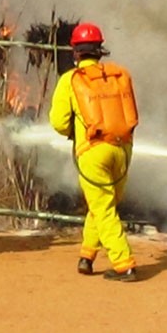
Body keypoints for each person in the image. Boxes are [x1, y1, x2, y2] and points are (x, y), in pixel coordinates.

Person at [50, 22, 139, 282]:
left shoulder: (70, 80)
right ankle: (87, 257)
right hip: (123, 149)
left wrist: (72, 134)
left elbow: (58, 121)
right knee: (103, 204)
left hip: (92, 151)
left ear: (76, 52)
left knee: (103, 208)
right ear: (100, 50)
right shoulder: (118, 76)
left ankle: (124, 264)